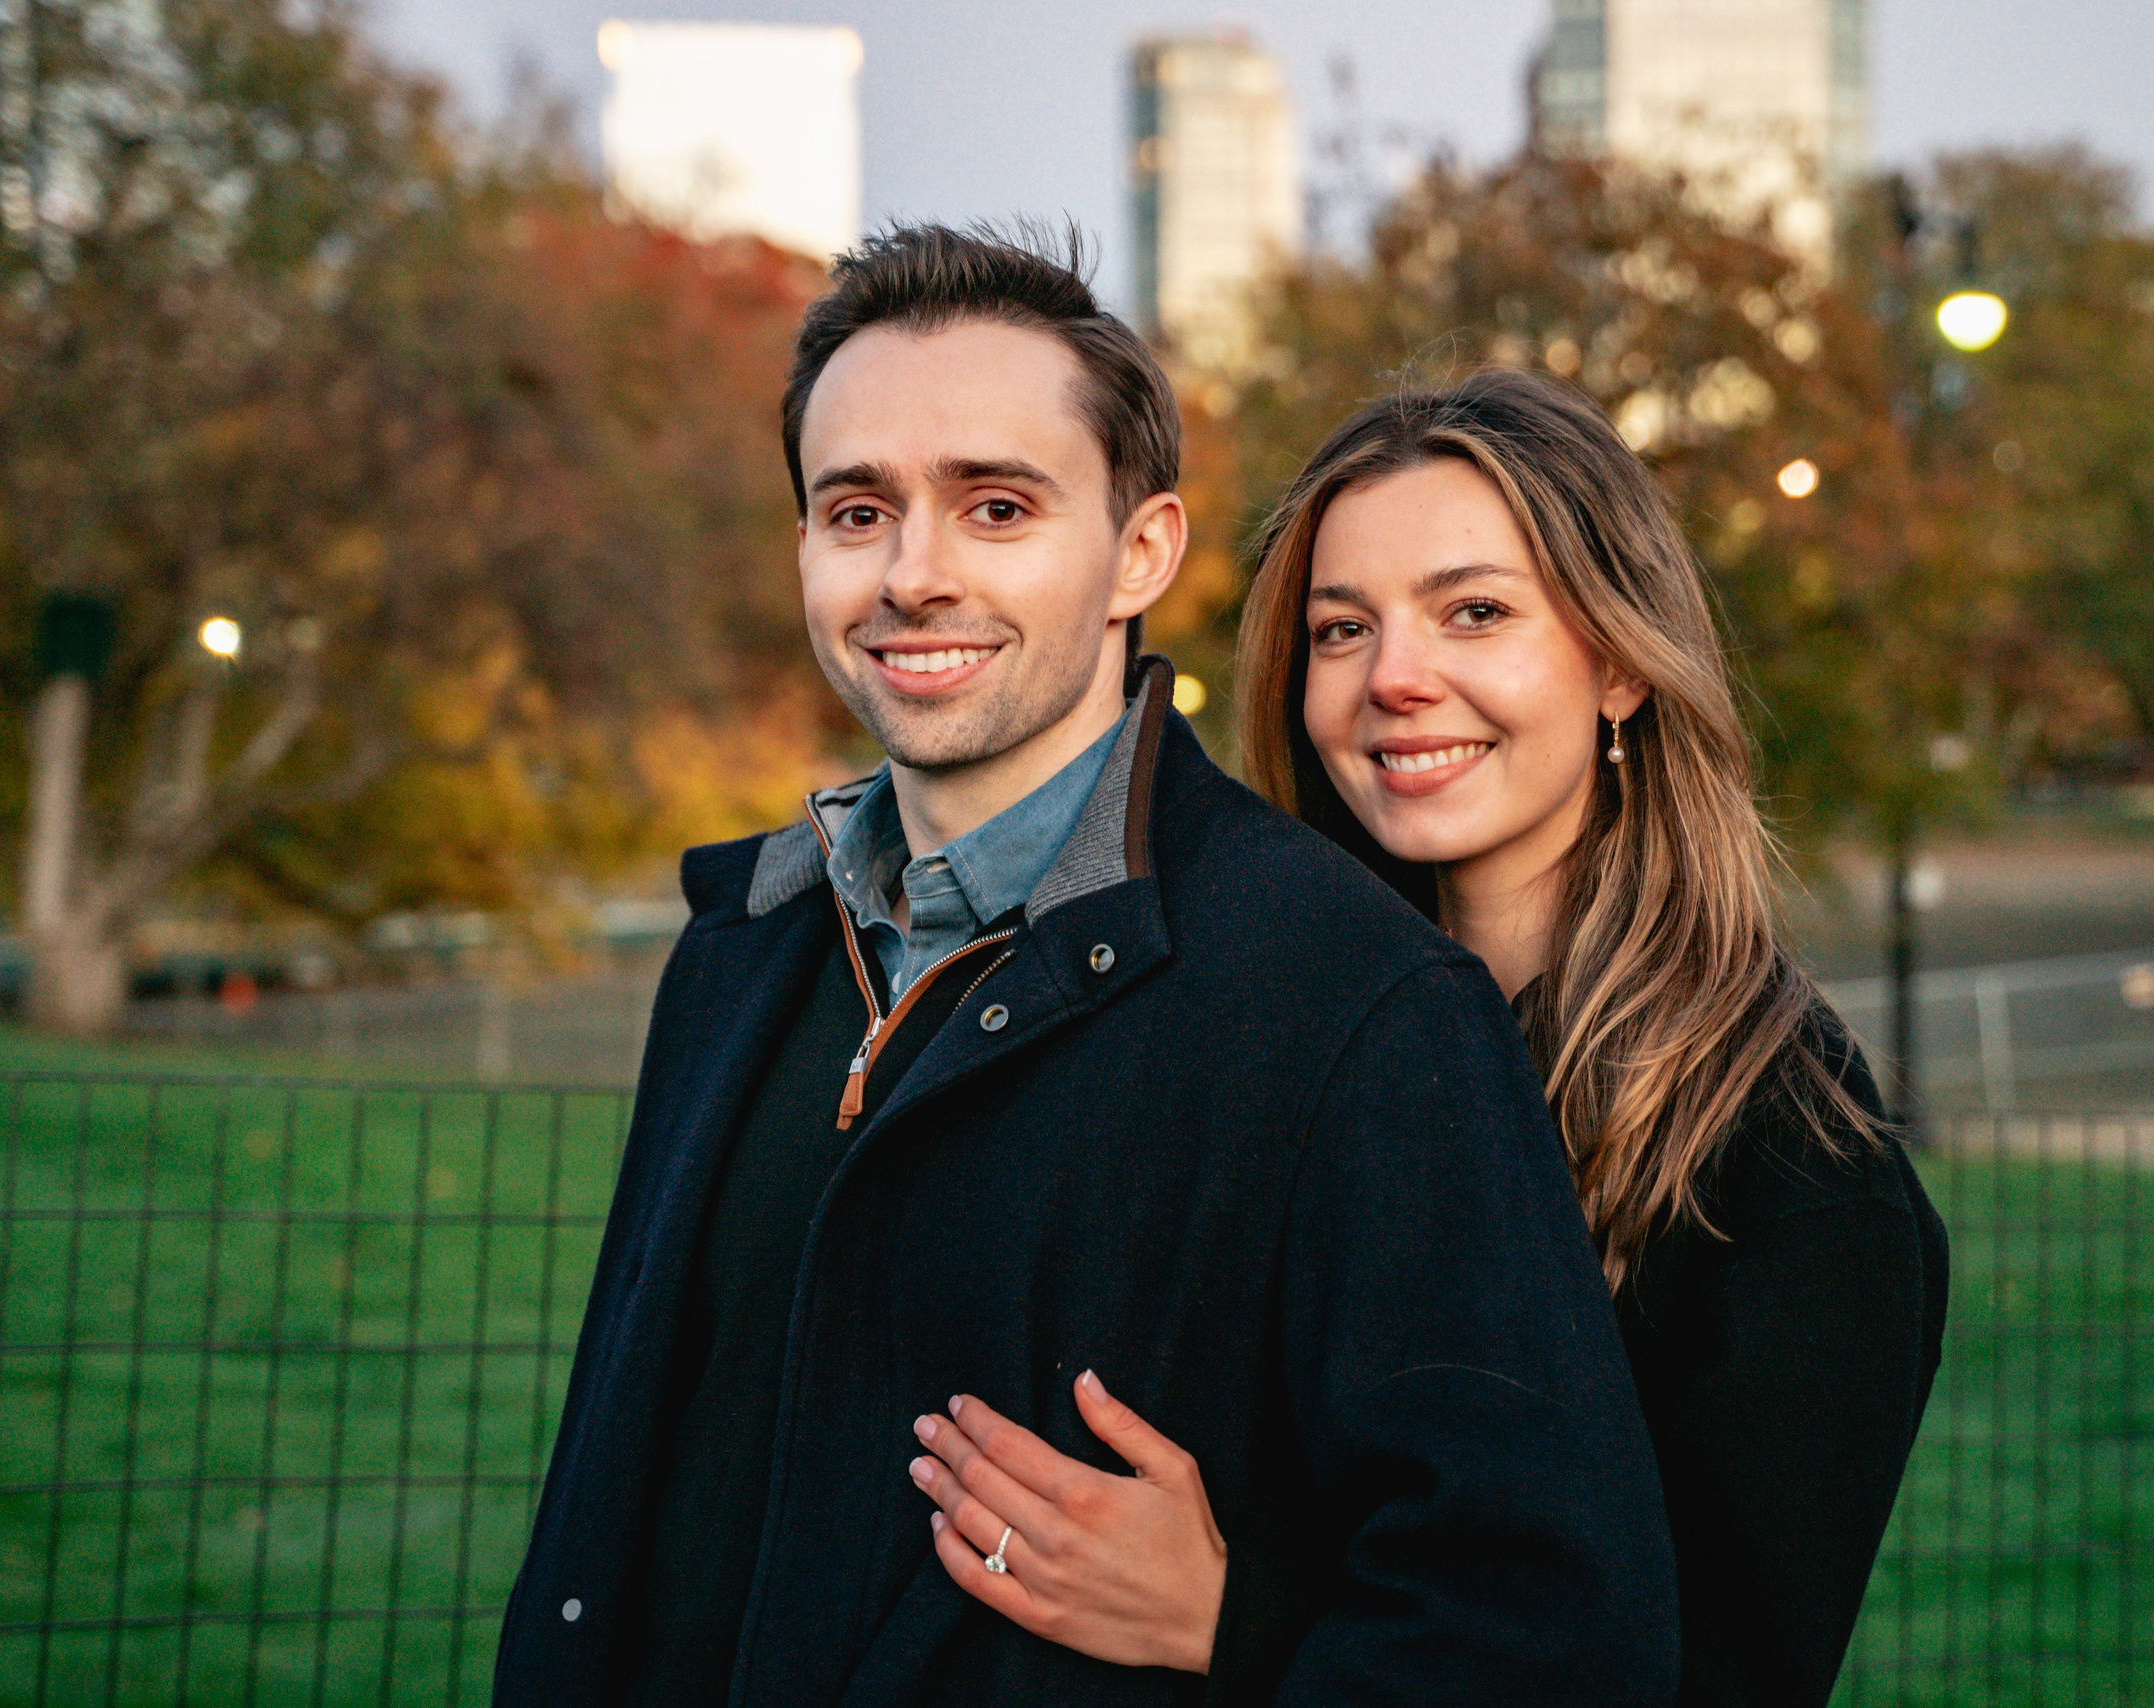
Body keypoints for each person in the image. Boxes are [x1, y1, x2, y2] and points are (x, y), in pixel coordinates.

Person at [491, 230, 1680, 1707]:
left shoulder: (1348, 1004)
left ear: (1141, 552)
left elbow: (1542, 1633)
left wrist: (1247, 1632)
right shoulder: (740, 947)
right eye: (856, 510)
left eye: (996, 507)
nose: (914, 575)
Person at [915, 369, 1948, 1706]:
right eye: (1342, 631)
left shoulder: (1790, 1165)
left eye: (1475, 612)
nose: (1397, 679)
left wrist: (1233, 1616)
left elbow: (1679, 1676)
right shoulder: (1278, 1035)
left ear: (1621, 660)